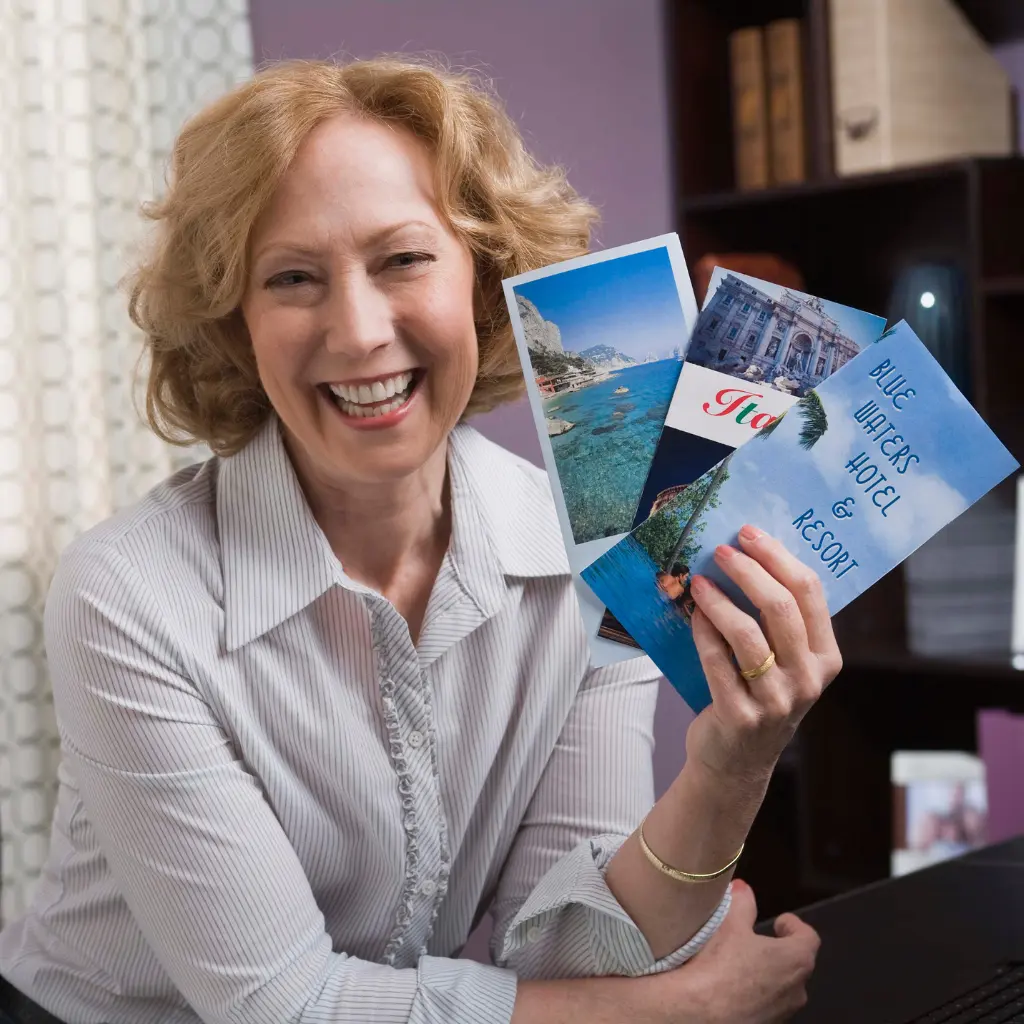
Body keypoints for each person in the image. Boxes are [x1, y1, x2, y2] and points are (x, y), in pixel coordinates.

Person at [0, 57, 841, 1024]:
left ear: (486, 284)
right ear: (237, 327)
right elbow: (290, 1007)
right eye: (292, 278)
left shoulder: (597, 553)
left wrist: (731, 762)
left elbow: (568, 943)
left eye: (403, 260)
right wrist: (692, 1011)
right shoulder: (128, 594)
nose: (358, 332)